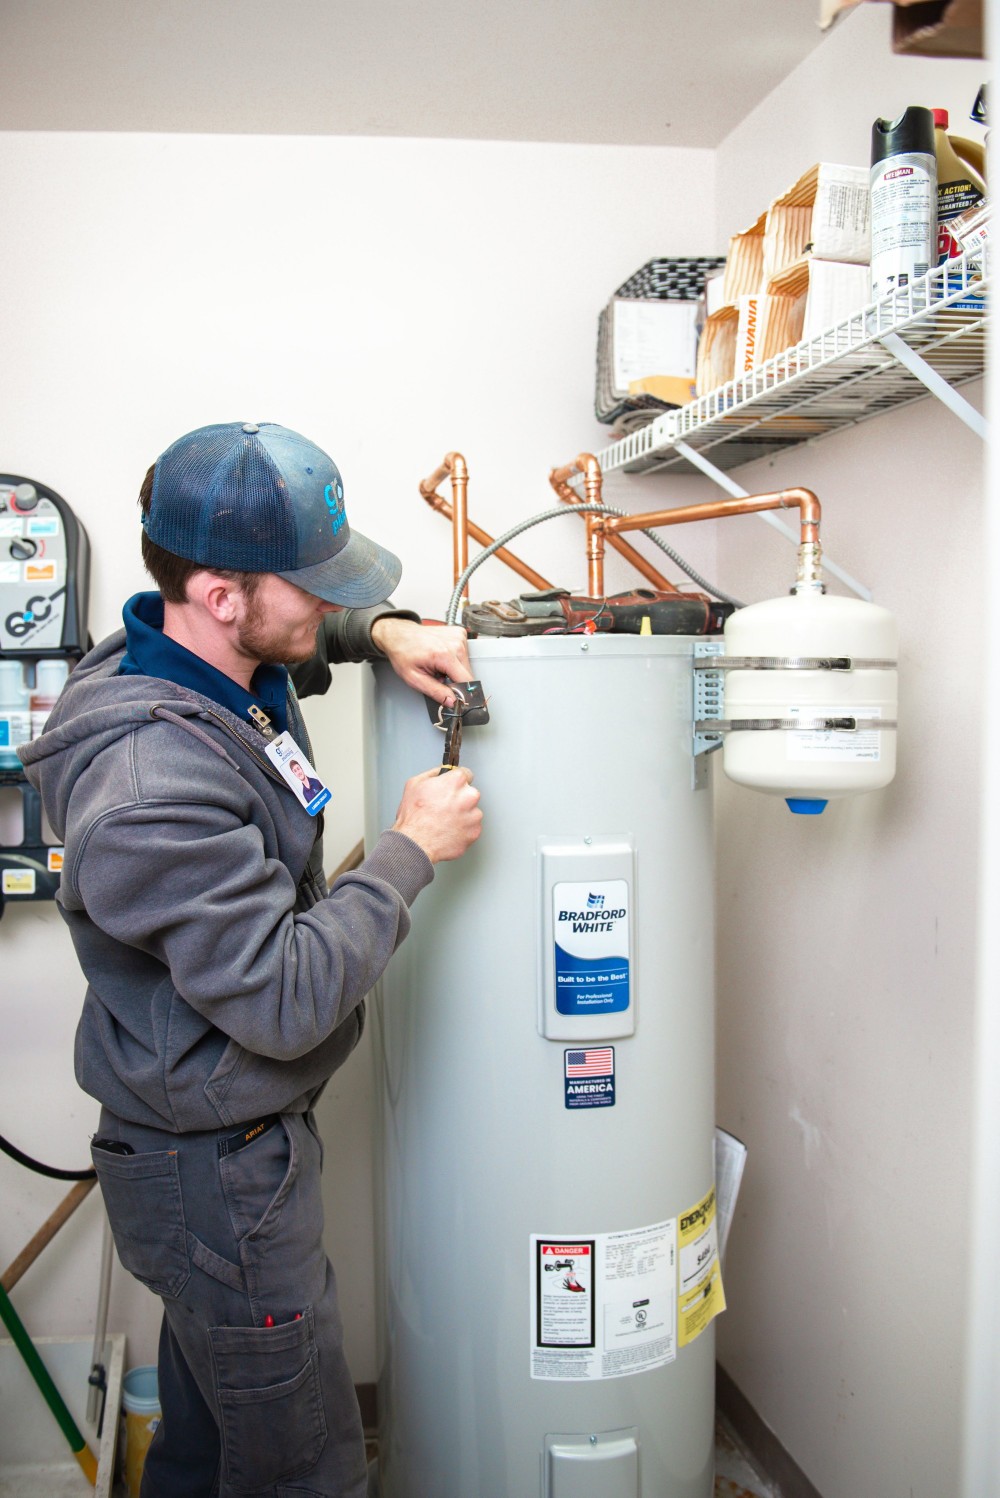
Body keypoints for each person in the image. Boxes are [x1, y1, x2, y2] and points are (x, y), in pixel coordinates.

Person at [19, 420, 482, 1498]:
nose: (324, 605)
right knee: (300, 1467)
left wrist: (383, 630)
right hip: (217, 1174)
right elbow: (279, 996)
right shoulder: (151, 786)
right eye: (310, 586)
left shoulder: (194, 667)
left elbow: (290, 663)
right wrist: (410, 851)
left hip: (220, 1147)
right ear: (222, 594)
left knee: (213, 1433)